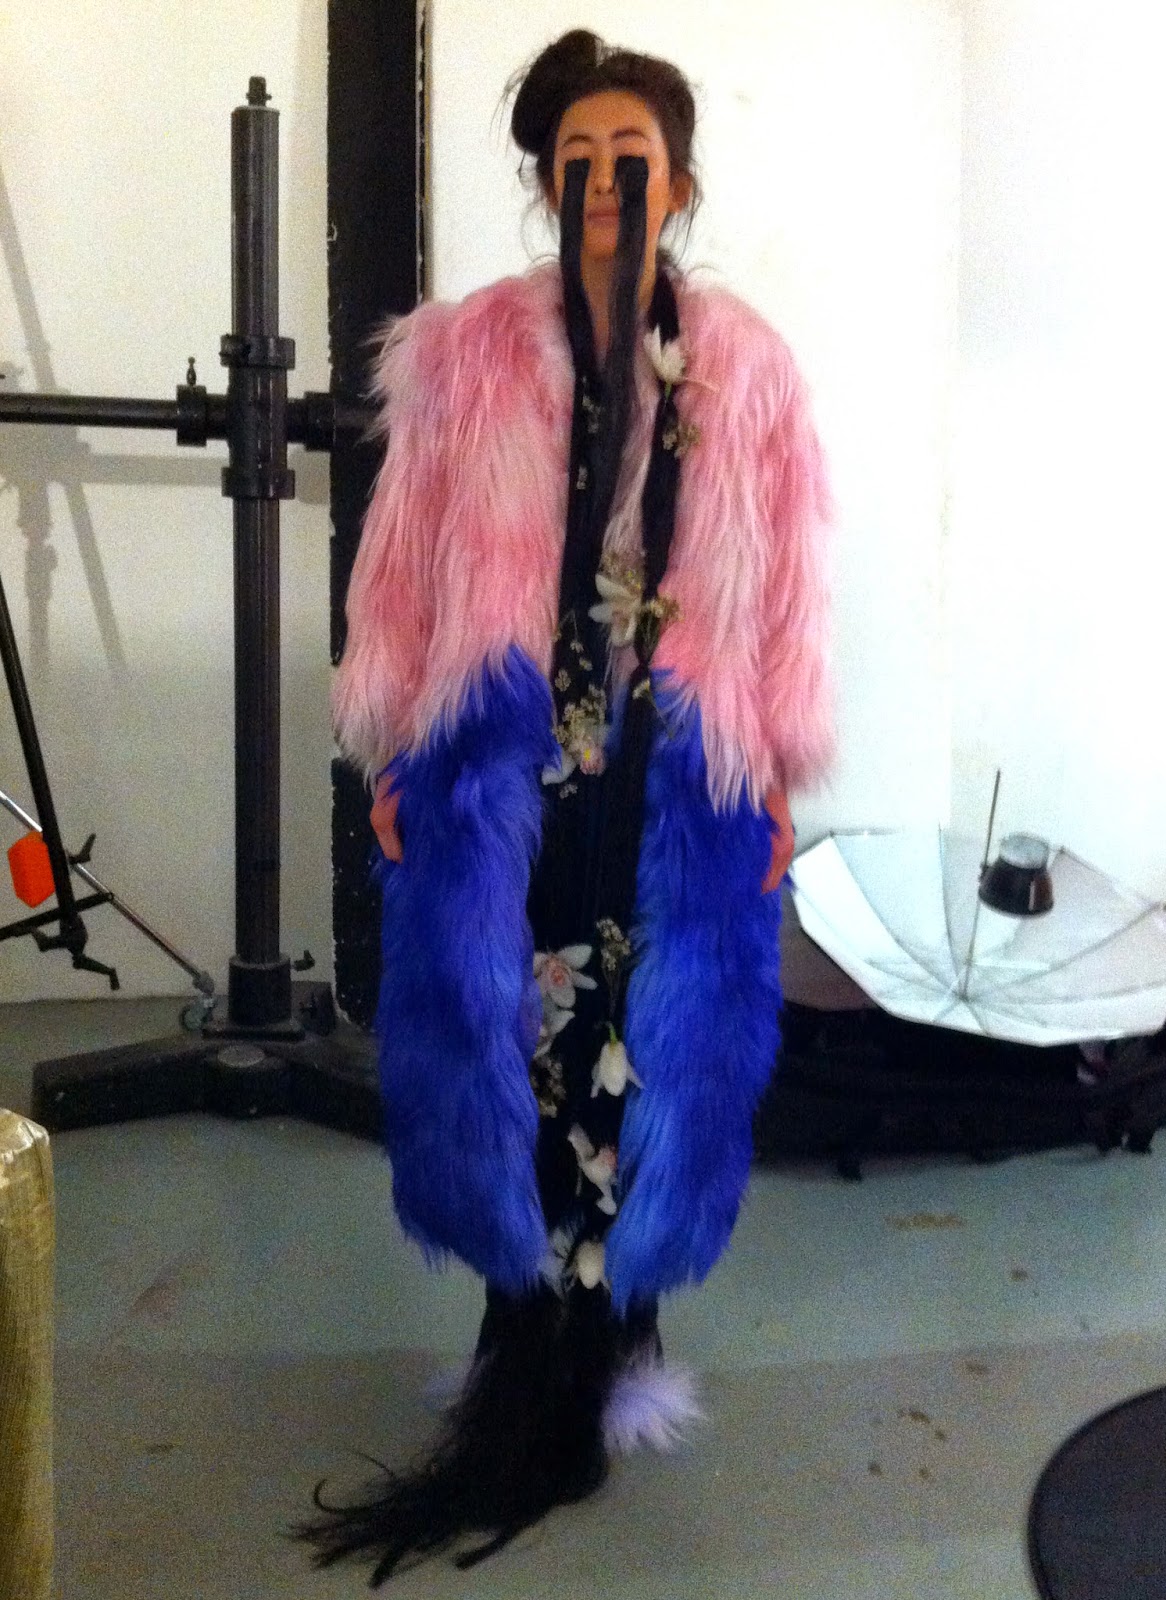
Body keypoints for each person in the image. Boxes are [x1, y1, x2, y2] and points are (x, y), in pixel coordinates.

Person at [303, 27, 831, 1581]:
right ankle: (517, 1344)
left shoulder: (748, 370)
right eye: (578, 158)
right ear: (549, 180)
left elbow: (786, 599)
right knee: (514, 1046)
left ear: (679, 180)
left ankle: (616, 1344)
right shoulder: (467, 357)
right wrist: (395, 755)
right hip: (508, 778)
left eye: (632, 157)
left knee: (648, 1050)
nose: (606, 181)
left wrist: (774, 775)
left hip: (676, 782)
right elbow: (399, 575)